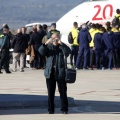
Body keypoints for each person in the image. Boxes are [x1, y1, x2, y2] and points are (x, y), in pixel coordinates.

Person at [38, 33, 71, 114]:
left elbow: (68, 52)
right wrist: (46, 43)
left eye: (56, 38)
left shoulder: (61, 47)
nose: (55, 40)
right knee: (50, 92)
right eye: (53, 38)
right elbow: (41, 51)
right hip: (50, 72)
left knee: (63, 92)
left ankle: (64, 109)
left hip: (60, 72)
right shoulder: (49, 47)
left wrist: (61, 44)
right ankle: (51, 109)